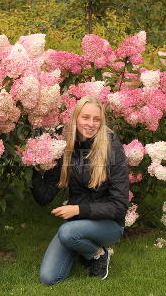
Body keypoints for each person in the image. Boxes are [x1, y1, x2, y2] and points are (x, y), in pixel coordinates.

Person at [31, 95, 129, 285]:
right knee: (48, 278)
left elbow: (119, 206)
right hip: (77, 223)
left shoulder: (112, 148)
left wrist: (77, 210)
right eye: (85, 117)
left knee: (67, 233)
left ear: (102, 122)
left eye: (96, 119)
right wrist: (32, 166)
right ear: (76, 117)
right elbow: (44, 197)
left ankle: (98, 254)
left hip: (108, 224)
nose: (91, 124)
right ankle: (84, 249)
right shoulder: (67, 146)